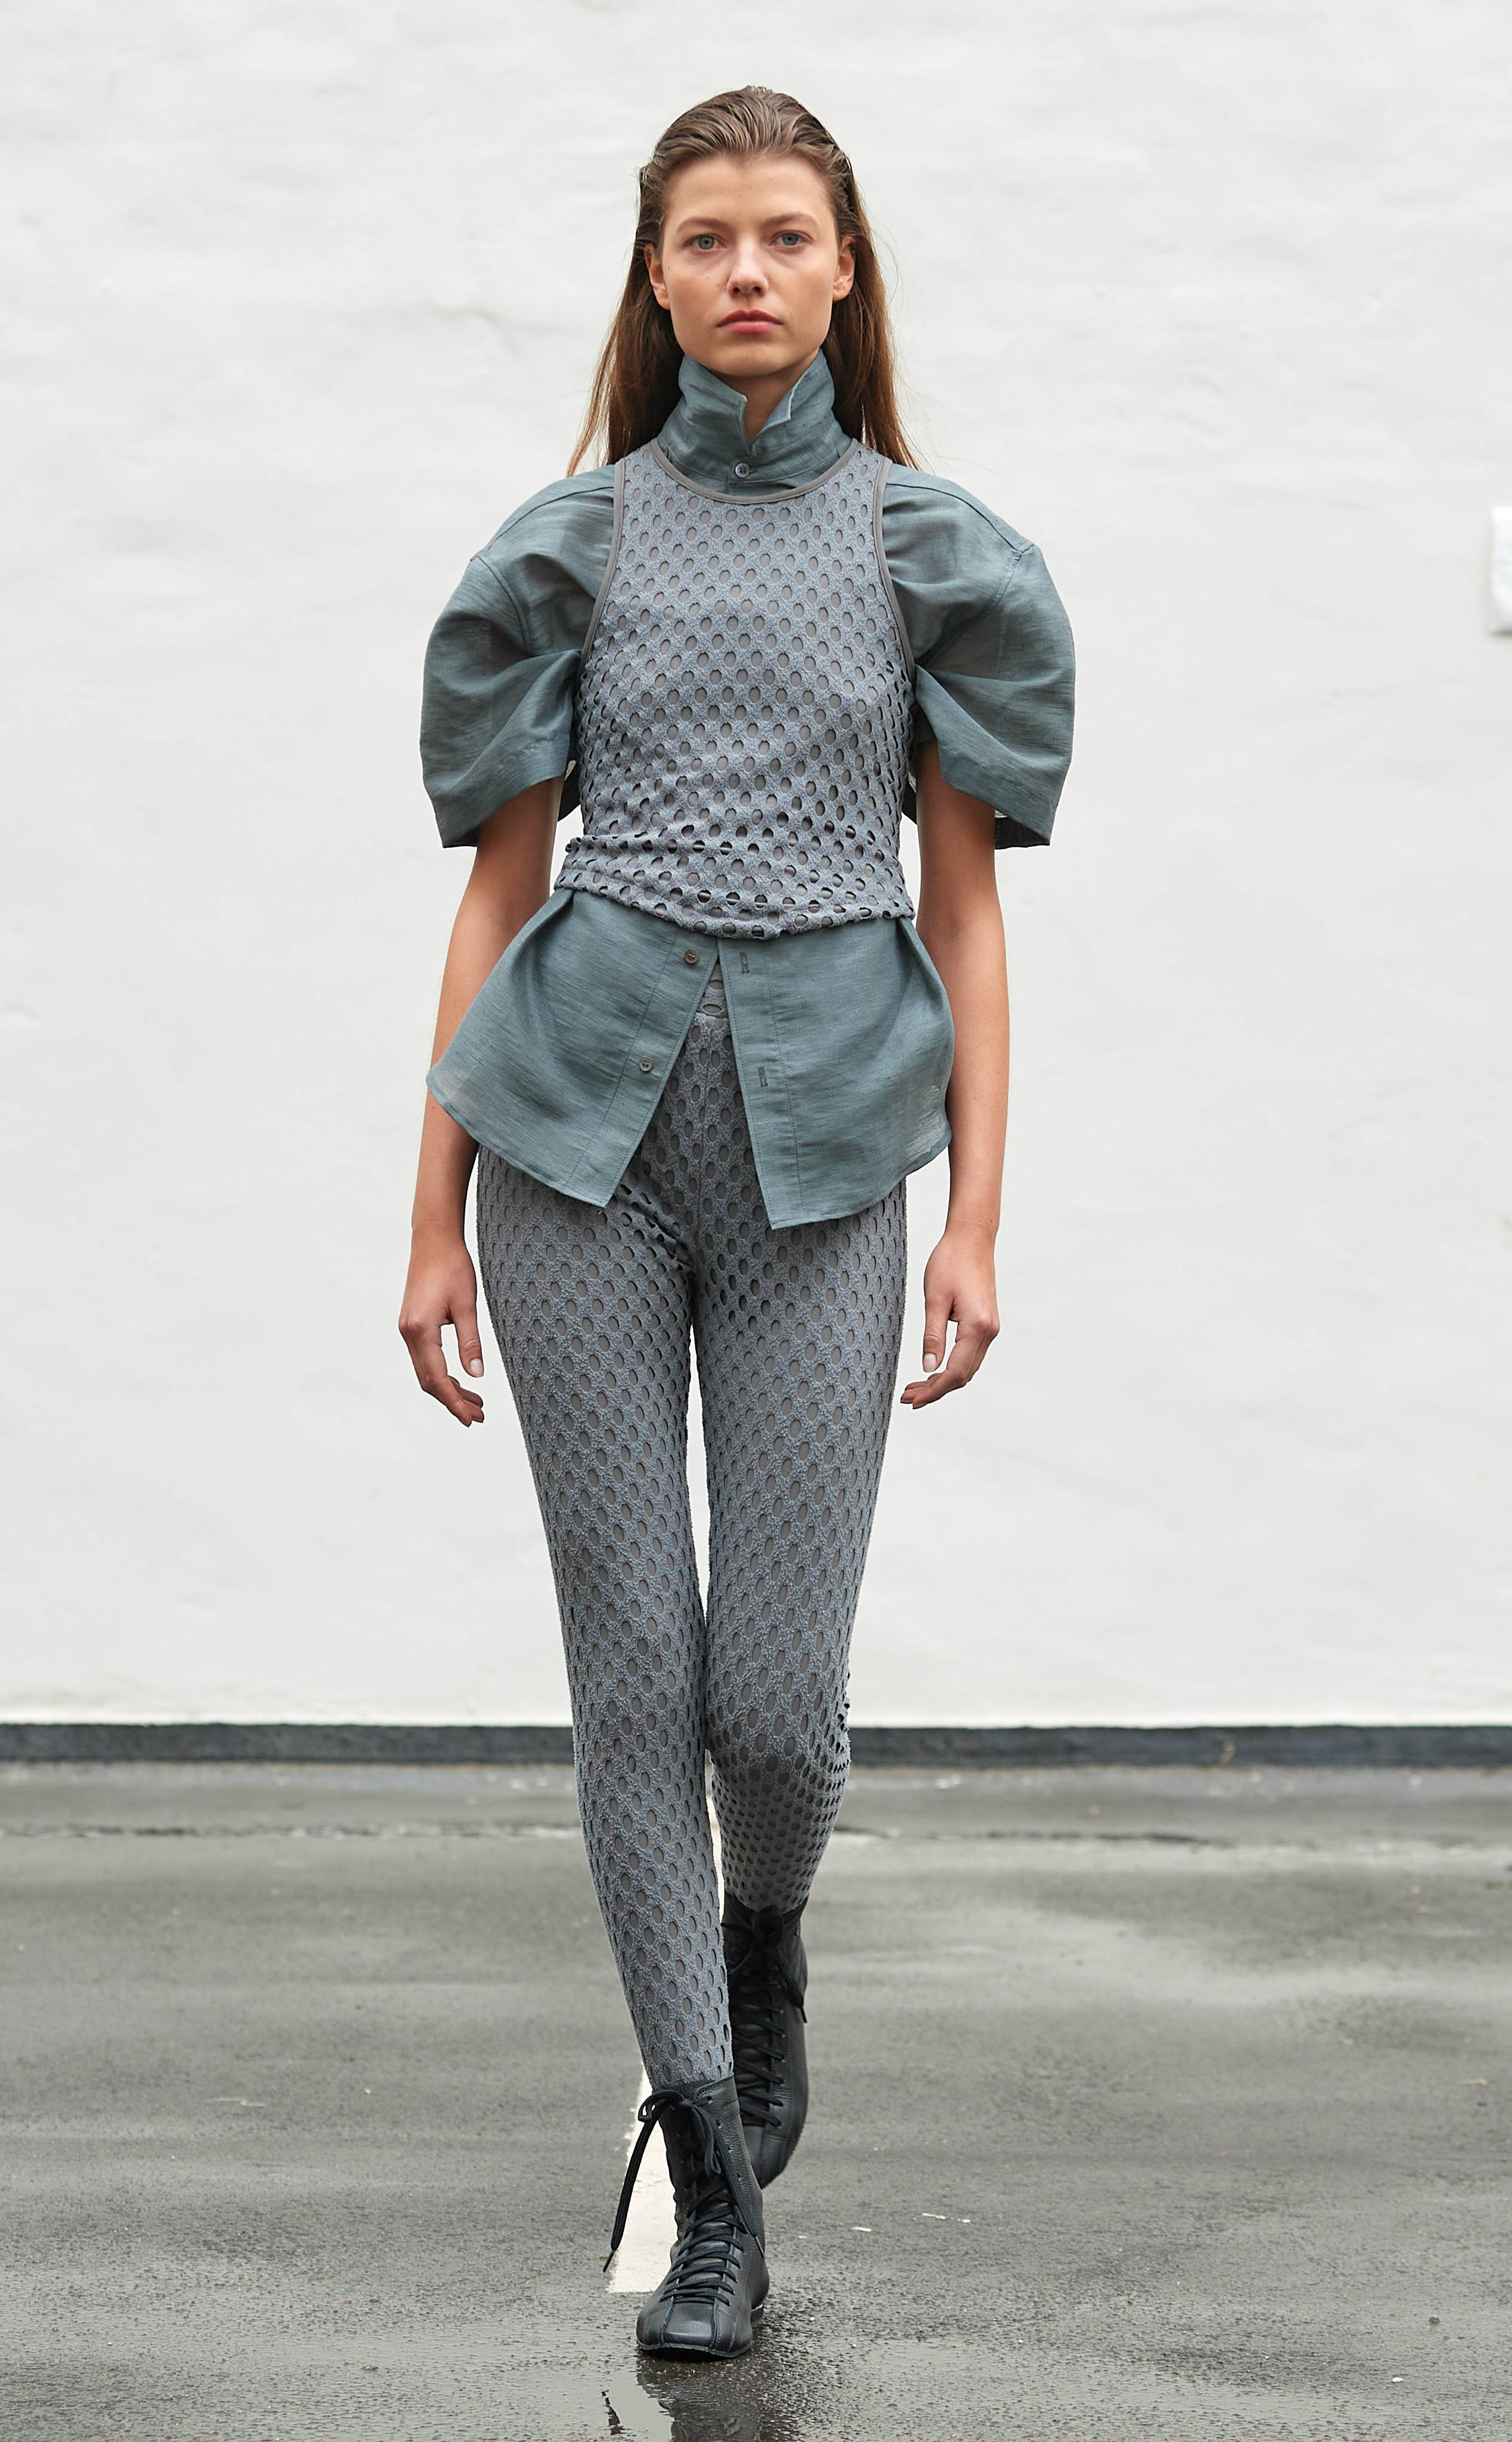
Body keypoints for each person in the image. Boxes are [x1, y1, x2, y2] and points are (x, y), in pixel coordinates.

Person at [399, 86, 1073, 2359]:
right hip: (567, 1154)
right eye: (707, 238)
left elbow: (962, 916)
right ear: (658, 275)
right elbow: (497, 897)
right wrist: (427, 1217)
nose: (747, 270)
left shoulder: (928, 551)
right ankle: (707, 2175)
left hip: (825, 1163)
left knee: (771, 1705)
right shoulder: (572, 545)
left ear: (844, 267)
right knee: (630, 1674)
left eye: (786, 233)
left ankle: (761, 1939)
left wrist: (978, 1215)